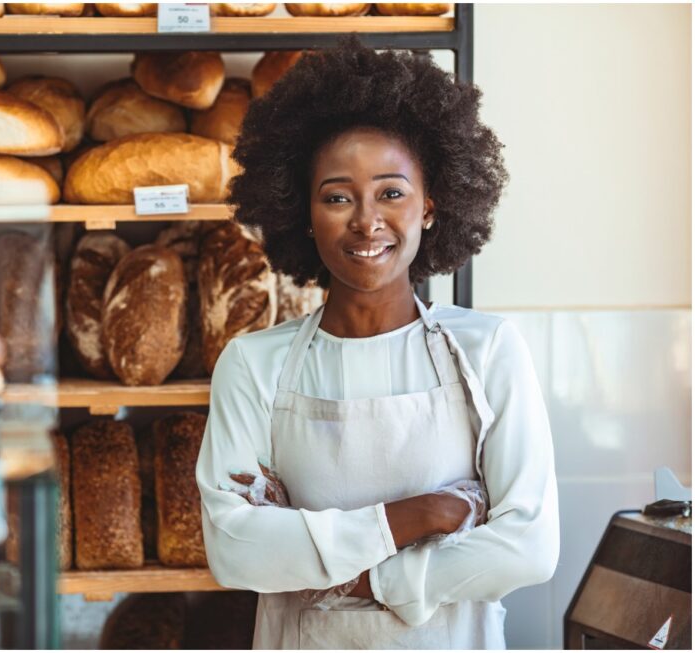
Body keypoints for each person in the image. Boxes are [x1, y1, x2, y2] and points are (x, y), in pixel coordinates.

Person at [195, 39, 560, 650]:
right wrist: (420, 516)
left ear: (430, 206)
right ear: (303, 215)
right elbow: (235, 552)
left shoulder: (489, 350)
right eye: (337, 197)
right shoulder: (253, 365)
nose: (366, 221)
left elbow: (529, 548)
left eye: (391, 192)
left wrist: (361, 573)